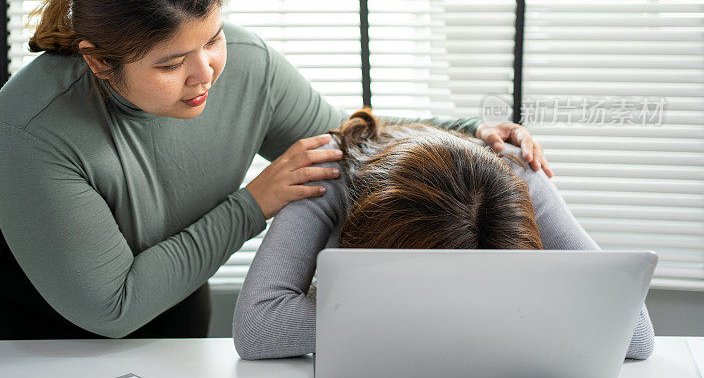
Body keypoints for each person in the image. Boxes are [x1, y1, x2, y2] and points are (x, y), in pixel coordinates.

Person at [0, 0, 552, 371]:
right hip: (33, 319)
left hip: (171, 284)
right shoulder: (30, 131)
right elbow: (113, 306)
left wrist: (468, 132)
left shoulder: (248, 66)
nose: (205, 73)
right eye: (172, 63)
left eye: (212, 40)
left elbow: (341, 138)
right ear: (100, 63)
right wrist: (252, 204)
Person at [232, 110, 655, 361]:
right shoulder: (330, 172)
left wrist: (422, 314)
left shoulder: (516, 172)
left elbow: (635, 333)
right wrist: (491, 315)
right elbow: (256, 326)